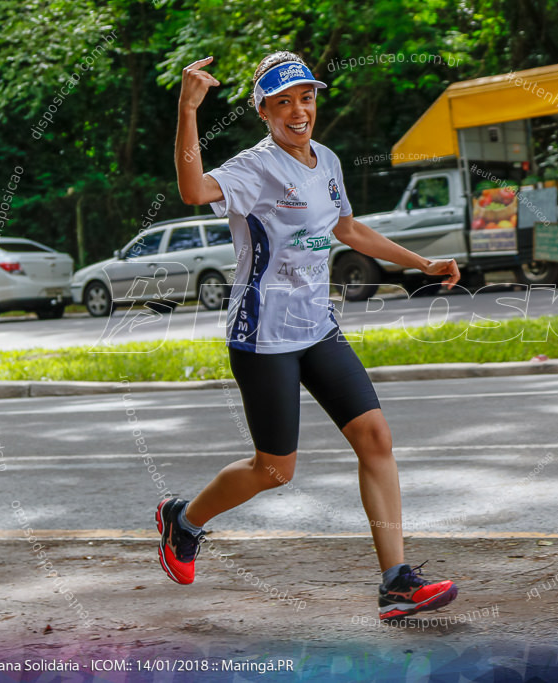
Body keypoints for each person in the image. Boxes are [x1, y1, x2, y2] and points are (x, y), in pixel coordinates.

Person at [157, 51, 461, 621]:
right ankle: (185, 520)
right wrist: (188, 110)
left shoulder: (327, 160)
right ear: (264, 112)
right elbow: (194, 191)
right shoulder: (254, 167)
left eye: (307, 98)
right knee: (274, 469)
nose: (299, 111)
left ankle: (396, 580)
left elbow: (345, 227)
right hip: (263, 333)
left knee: (375, 438)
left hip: (316, 326)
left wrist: (419, 263)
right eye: (283, 102)